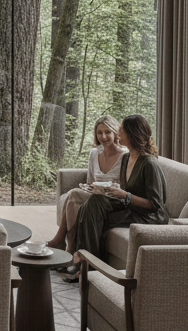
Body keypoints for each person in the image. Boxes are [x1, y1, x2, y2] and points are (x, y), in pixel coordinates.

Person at [63, 114, 168, 281]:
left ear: (132, 134)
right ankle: (87, 264)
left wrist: (125, 195)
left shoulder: (149, 164)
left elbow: (156, 204)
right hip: (130, 207)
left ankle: (87, 267)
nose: (118, 132)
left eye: (122, 130)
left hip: (148, 216)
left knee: (91, 213)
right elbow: (123, 190)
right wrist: (104, 190)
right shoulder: (126, 158)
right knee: (90, 205)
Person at [47, 115, 125, 256]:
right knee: (73, 198)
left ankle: (65, 242)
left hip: (112, 199)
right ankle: (68, 246)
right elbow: (91, 181)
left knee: (73, 195)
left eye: (107, 132)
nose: (103, 136)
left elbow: (125, 187)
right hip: (94, 195)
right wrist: (88, 187)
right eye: (99, 132)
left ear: (115, 132)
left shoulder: (124, 155)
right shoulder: (94, 153)